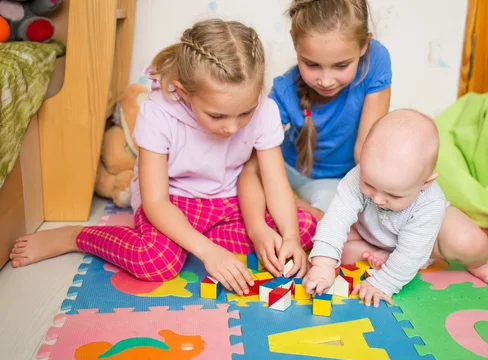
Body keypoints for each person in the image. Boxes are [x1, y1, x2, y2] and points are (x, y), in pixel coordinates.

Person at [10, 19, 317, 296]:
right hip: (173, 202)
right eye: (217, 115)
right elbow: (155, 202)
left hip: (231, 203)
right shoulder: (158, 113)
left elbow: (274, 183)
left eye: (245, 113)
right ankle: (76, 237)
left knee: (302, 229)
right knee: (156, 262)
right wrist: (209, 252)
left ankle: (194, 241)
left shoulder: (265, 111)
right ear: (184, 93)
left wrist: (288, 235)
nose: (233, 127)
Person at [303, 109, 488, 307]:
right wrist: (323, 265)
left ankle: (478, 263)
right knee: (331, 239)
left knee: (468, 242)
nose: (379, 200)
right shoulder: (357, 176)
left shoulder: (429, 202)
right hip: (371, 234)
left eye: (393, 194)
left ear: (425, 183)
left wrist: (384, 282)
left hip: (426, 244)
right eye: (370, 185)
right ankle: (381, 255)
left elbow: (413, 252)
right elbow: (336, 219)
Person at [241, 0, 392, 225]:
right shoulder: (283, 91)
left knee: (345, 218)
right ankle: (289, 203)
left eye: (341, 66)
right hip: (285, 170)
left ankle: (294, 205)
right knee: (246, 190)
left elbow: (366, 149)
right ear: (294, 41)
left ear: (364, 46)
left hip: (336, 180)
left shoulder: (375, 60)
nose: (326, 80)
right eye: (312, 64)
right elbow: (254, 167)